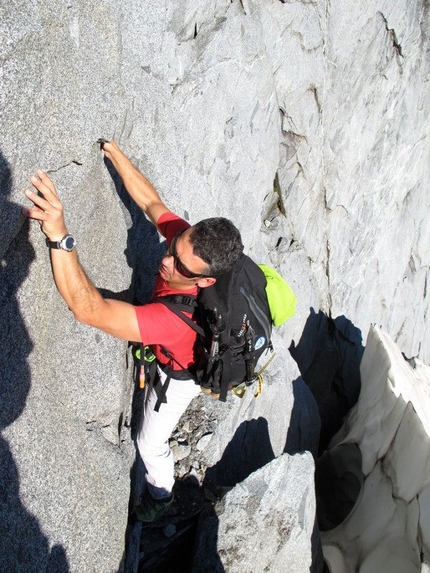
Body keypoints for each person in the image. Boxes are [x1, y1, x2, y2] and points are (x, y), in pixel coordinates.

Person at [22, 140, 243, 522]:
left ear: (205, 282)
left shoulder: (172, 321)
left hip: (179, 374)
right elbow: (152, 205)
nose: (167, 260)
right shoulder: (191, 250)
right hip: (170, 336)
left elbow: (87, 309)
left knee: (149, 441)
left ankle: (162, 494)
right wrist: (116, 155)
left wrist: (59, 235)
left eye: (181, 267)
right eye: (173, 247)